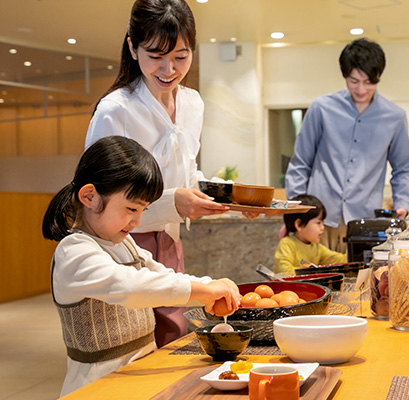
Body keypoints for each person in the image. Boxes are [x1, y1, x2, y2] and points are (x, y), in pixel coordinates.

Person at [84, 0, 254, 347]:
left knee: (175, 338)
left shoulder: (192, 103)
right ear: (132, 47)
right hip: (123, 243)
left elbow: (187, 172)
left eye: (180, 56)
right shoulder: (116, 110)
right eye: (155, 56)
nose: (169, 69)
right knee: (135, 344)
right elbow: (103, 196)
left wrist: (234, 198)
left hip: (170, 241)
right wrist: (173, 202)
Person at [42, 136, 241, 396]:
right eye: (131, 209)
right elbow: (131, 286)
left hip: (138, 377)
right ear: (89, 196)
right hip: (97, 388)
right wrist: (205, 291)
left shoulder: (125, 244)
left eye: (143, 211)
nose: (136, 222)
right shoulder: (74, 252)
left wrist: (210, 285)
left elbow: (162, 275)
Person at [285, 38, 409, 253]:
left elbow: (402, 169)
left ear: (378, 78)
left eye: (368, 82)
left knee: (361, 284)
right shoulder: (321, 108)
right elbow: (300, 163)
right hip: (318, 221)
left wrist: (402, 204)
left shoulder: (395, 117)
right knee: (313, 283)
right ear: (345, 75)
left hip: (364, 224)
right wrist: (293, 216)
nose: (361, 89)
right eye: (354, 81)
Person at [274, 194, 347, 275]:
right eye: (318, 223)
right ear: (299, 224)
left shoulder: (317, 247)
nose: (322, 227)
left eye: (323, 223)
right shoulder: (287, 244)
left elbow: (340, 260)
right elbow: (284, 271)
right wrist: (314, 272)